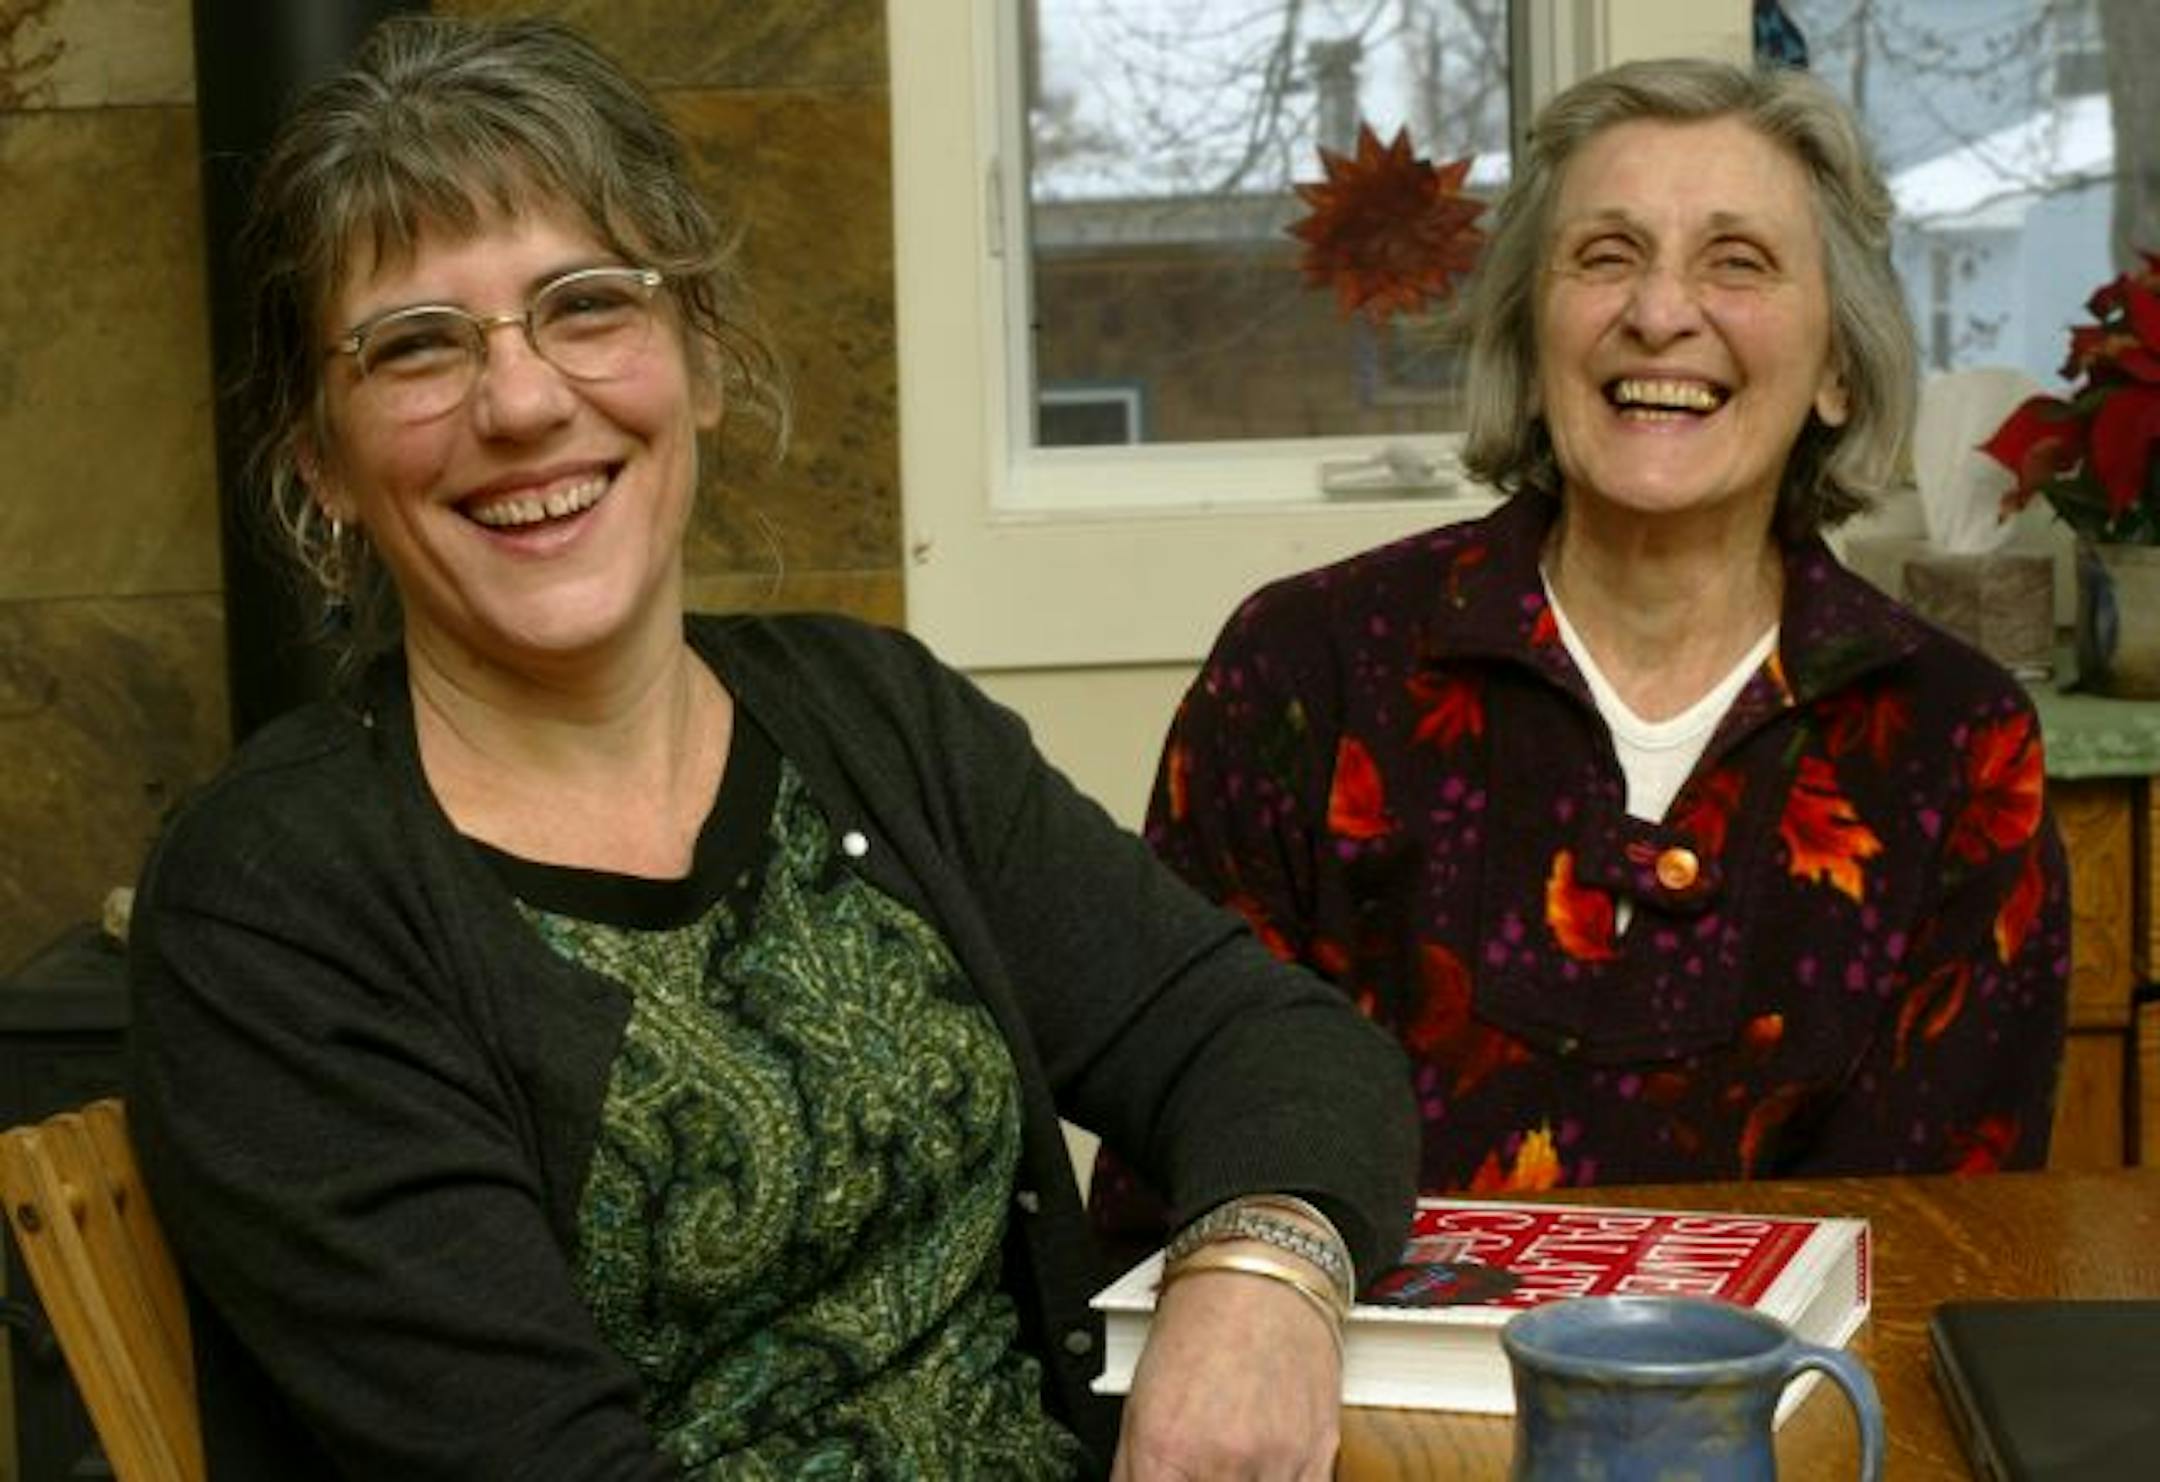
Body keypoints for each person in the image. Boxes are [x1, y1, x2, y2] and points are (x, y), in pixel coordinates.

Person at [123, 16, 1416, 1480]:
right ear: (322, 467)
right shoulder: (275, 900)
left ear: (706, 361)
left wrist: (1259, 1277)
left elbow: (1273, 1041)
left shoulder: (874, 717)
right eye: (418, 345)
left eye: (588, 303)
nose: (526, 399)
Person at [1093, 56, 2069, 1232]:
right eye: (1606, 255)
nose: (1660, 313)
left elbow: (1936, 1251)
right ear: (1529, 332)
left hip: (1800, 1413)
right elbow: (1181, 1168)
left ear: (1840, 370)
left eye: (1738, 261)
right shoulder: (1304, 671)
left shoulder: (1956, 746)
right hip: (1346, 1406)